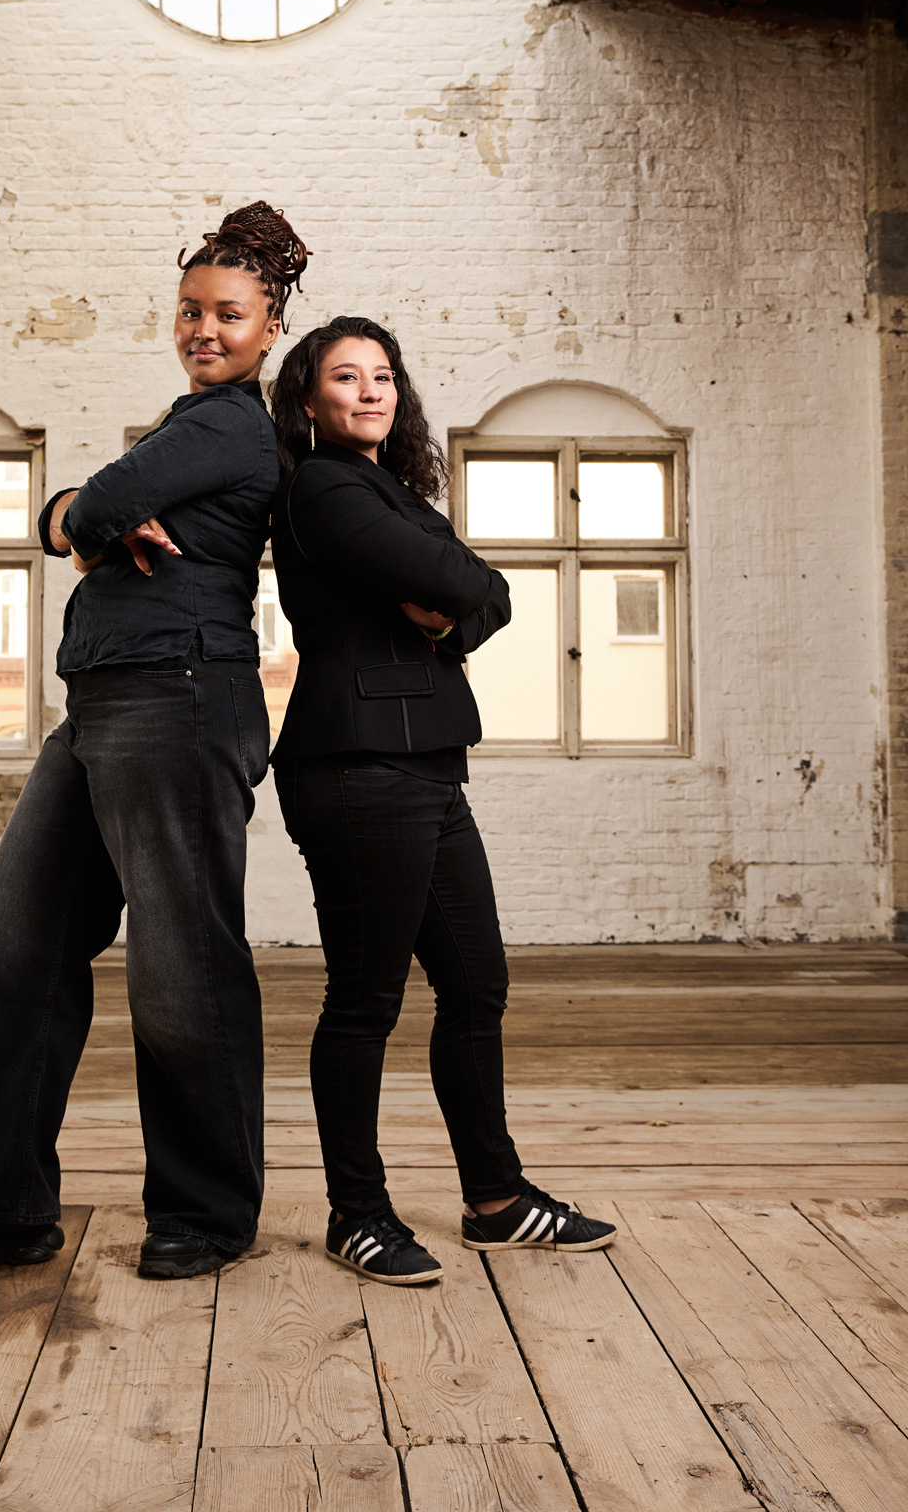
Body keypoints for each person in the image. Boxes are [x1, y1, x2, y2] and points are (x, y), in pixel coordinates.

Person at [0, 202, 309, 1282]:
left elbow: (92, 506)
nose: (202, 328)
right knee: (15, 940)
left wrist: (92, 507)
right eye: (188, 310)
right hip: (102, 706)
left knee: (181, 963)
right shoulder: (187, 422)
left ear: (268, 328)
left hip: (180, 700)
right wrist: (83, 509)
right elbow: (71, 514)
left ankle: (207, 1214)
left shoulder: (225, 425)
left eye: (228, 314)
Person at [268, 316, 615, 1285]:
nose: (371, 390)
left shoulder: (385, 490)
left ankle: (497, 1201)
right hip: (357, 766)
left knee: (475, 986)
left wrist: (454, 606)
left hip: (425, 760)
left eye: (383, 375)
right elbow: (466, 579)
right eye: (346, 376)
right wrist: (452, 595)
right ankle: (357, 1213)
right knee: (366, 999)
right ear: (308, 398)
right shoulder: (324, 487)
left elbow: (481, 596)